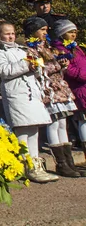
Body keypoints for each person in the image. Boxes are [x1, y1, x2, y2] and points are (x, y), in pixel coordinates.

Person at [0, 20, 58, 183]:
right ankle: (25, 165)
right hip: (16, 92)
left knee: (33, 128)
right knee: (22, 129)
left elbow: (32, 67)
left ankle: (35, 163)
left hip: (30, 91)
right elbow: (4, 70)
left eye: (13, 33)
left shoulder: (21, 49)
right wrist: (27, 63)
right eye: (7, 33)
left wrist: (35, 66)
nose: (11, 36)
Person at [23, 17, 81, 177]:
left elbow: (54, 67)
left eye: (46, 30)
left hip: (59, 88)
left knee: (63, 124)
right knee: (54, 124)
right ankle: (61, 164)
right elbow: (37, 69)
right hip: (48, 90)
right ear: (33, 31)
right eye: (42, 30)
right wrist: (55, 65)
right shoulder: (30, 49)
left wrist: (61, 65)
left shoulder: (47, 47)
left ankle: (69, 162)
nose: (45, 33)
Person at [51, 20, 86, 171]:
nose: (73, 34)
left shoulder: (77, 48)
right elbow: (69, 70)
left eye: (75, 32)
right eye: (70, 31)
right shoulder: (60, 49)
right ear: (62, 33)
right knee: (83, 121)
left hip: (84, 86)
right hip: (78, 88)